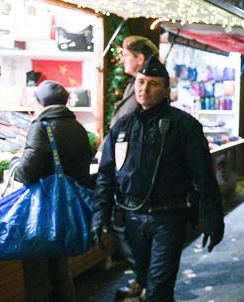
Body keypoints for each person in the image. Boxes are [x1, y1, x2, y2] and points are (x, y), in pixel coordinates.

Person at [92, 56, 224, 302]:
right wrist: (100, 213)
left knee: (158, 291)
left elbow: (204, 177)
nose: (144, 89)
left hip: (169, 218)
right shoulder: (122, 127)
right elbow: (106, 175)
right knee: (146, 280)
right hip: (132, 219)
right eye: (141, 82)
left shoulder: (185, 126)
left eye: (153, 84)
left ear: (166, 90)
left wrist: (213, 218)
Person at [13, 80, 93, 302]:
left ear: (41, 103)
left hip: (42, 215)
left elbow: (27, 172)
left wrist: (12, 163)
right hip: (67, 213)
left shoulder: (42, 126)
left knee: (36, 276)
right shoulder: (77, 127)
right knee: (60, 271)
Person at [109, 35, 159, 299]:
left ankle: (144, 280)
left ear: (140, 58)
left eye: (127, 55)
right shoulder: (133, 86)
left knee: (126, 226)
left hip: (132, 170)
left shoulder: (141, 90)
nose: (123, 60)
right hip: (126, 168)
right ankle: (143, 279)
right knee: (127, 226)